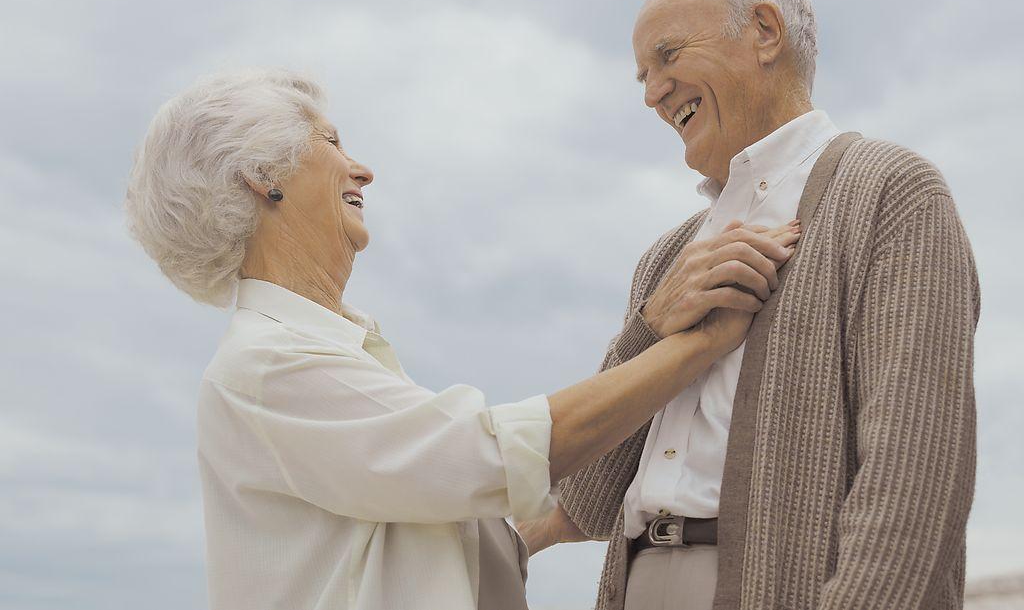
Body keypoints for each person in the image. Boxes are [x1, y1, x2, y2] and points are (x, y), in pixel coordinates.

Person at [124, 69, 799, 610]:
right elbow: (483, 457)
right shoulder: (268, 364)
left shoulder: (320, 353)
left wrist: (557, 520)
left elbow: (425, 516)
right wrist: (699, 340)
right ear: (261, 176)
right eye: (332, 143)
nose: (361, 170)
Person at [520, 0, 980, 610]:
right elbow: (592, 494)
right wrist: (651, 324)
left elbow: (914, 476)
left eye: (668, 55)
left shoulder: (891, 191)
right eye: (643, 76)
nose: (652, 92)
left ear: (765, 32)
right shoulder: (667, 256)